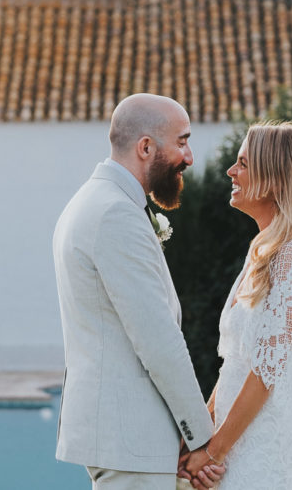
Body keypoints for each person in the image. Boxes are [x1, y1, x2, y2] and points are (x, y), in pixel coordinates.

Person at [53, 94, 225, 490]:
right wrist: (202, 437)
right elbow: (158, 340)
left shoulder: (92, 201)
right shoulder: (114, 214)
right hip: (131, 436)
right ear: (146, 147)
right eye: (181, 141)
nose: (190, 157)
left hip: (122, 436)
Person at [179, 120, 292, 489]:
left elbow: (266, 372)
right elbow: (237, 364)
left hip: (268, 448)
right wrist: (199, 439)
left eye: (243, 163)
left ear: (275, 178)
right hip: (239, 443)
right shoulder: (263, 252)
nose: (231, 171)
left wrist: (214, 453)